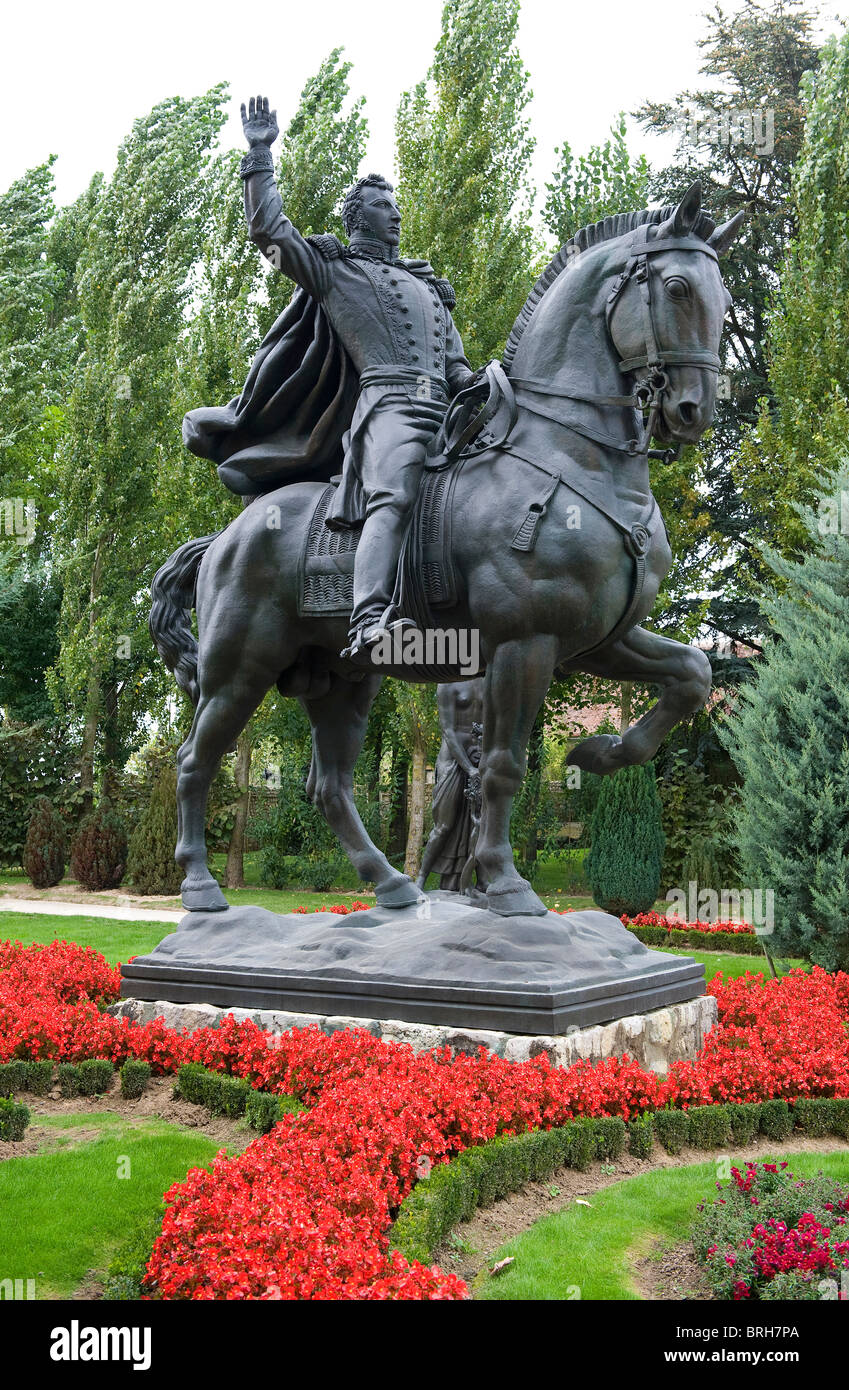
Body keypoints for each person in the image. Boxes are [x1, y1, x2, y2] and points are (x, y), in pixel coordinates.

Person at [237, 95, 476, 664]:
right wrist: (260, 152)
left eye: (394, 203)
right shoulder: (335, 269)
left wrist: (482, 385)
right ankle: (369, 617)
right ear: (356, 216)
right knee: (392, 494)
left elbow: (456, 363)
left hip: (449, 408)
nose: (393, 212)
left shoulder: (428, 285)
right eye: (380, 204)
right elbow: (269, 233)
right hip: (389, 406)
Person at [417, 678, 486, 893]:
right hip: (453, 759)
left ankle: (482, 879)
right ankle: (420, 877)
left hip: (480, 756)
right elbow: (448, 730)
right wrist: (469, 768)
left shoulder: (490, 679)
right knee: (444, 825)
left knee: (484, 823)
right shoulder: (447, 682)